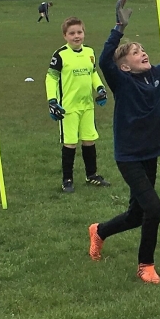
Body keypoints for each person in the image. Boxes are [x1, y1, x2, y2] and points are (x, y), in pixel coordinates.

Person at [89, 0, 160, 284]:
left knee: (137, 215)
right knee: (154, 208)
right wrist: (119, 28)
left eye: (142, 49)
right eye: (135, 53)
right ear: (125, 66)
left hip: (150, 153)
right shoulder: (122, 82)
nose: (143, 53)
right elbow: (104, 60)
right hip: (128, 157)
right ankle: (145, 266)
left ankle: (99, 231)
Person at [46, 17, 110, 193]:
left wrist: (100, 88)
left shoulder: (89, 52)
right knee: (70, 143)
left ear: (84, 33)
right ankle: (67, 180)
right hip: (68, 108)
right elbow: (51, 78)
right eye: (72, 33)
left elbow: (93, 73)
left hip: (87, 106)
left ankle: (92, 175)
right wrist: (52, 101)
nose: (76, 36)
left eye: (79, 32)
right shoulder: (60, 55)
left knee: (89, 140)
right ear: (65, 36)